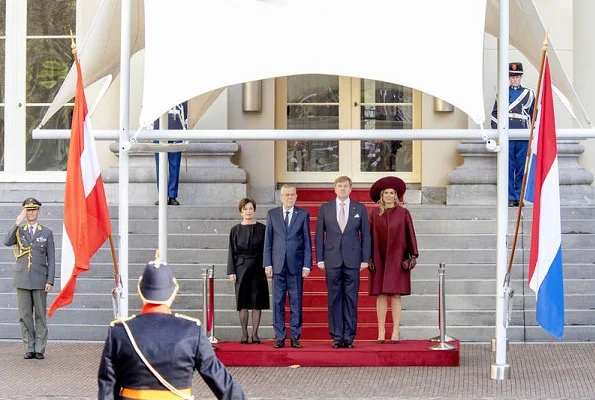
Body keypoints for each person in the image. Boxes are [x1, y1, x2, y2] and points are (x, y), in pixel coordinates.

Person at [98, 259, 246, 399]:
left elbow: (107, 387)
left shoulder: (120, 331)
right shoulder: (191, 331)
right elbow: (221, 381)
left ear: (140, 290)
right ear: (174, 292)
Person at [315, 176, 371, 349]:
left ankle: (349, 337)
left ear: (351, 188)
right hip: (332, 259)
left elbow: (366, 235)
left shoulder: (359, 208)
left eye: (346, 186)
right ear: (334, 188)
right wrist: (320, 258)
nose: (343, 189)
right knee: (334, 299)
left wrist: (364, 259)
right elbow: (319, 235)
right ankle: (337, 337)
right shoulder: (325, 208)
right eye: (340, 186)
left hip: (353, 259)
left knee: (351, 299)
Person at [368, 176, 419, 343]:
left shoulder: (404, 213)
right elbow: (368, 236)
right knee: (381, 294)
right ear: (381, 196)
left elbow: (410, 234)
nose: (389, 195)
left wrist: (413, 255)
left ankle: (395, 330)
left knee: (396, 294)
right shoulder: (374, 213)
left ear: (396, 196)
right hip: (379, 257)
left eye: (392, 193)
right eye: (386, 193)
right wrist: (367, 257)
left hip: (398, 257)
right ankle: (381, 330)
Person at [3, 197, 55, 360]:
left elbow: (51, 258)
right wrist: (17, 222)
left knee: (40, 315)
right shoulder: (19, 230)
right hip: (22, 278)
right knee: (25, 315)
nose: (31, 213)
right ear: (24, 212)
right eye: (28, 210)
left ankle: (39, 347)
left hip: (40, 279)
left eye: (33, 210)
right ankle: (29, 347)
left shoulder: (46, 232)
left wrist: (50, 280)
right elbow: (6, 241)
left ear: (38, 211)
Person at [264, 184, 312, 349]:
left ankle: (295, 336)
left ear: (296, 196)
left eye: (292, 195)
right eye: (286, 195)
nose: (289, 197)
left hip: (296, 266)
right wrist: (267, 264)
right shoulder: (272, 214)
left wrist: (307, 265)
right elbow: (268, 242)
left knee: (296, 302)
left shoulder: (303, 214)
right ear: (281, 196)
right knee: (278, 302)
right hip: (277, 266)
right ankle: (280, 336)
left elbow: (307, 241)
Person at [491, 62, 535, 207]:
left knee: (522, 167)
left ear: (521, 77)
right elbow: (495, 115)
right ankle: (510, 196)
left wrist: (533, 135)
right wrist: (498, 134)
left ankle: (519, 196)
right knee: (508, 167)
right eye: (512, 77)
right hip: (507, 135)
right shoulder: (502, 93)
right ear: (508, 78)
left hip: (522, 134)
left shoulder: (529, 94)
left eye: (517, 76)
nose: (514, 79)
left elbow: (534, 115)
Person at [227, 198, 270, 344]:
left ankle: (255, 334)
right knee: (243, 301)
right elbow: (231, 251)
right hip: (241, 268)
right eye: (245, 209)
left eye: (251, 208)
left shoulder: (263, 228)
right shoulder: (235, 230)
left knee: (257, 301)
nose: (248, 211)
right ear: (241, 212)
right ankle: (244, 334)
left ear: (254, 210)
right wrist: (231, 271)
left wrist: (268, 266)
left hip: (259, 267)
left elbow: (267, 249)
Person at [153, 101, 188, 206]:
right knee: (160, 167)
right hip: (158, 131)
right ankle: (162, 196)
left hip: (176, 130)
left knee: (175, 166)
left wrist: (185, 132)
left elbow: (184, 111)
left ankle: (172, 196)